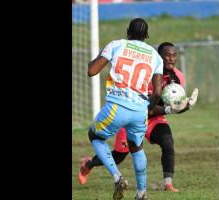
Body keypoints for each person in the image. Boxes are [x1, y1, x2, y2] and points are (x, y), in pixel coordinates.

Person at [79, 42, 199, 195]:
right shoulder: (150, 74)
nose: (171, 59)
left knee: (168, 142)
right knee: (118, 156)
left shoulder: (178, 77)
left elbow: (174, 107)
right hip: (134, 117)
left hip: (155, 120)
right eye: (167, 55)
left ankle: (168, 183)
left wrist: (185, 106)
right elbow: (146, 107)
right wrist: (169, 109)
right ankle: (89, 164)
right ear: (159, 56)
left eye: (174, 55)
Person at [79, 18, 164, 200]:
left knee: (95, 136)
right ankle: (141, 193)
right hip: (140, 109)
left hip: (117, 106)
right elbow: (157, 92)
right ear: (147, 36)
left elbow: (92, 70)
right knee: (137, 147)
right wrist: (147, 108)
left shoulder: (117, 45)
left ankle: (117, 177)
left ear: (127, 31)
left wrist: (103, 53)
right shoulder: (155, 56)